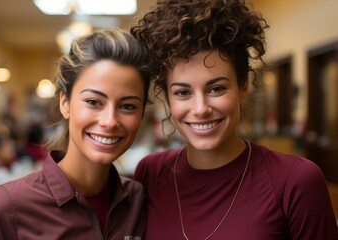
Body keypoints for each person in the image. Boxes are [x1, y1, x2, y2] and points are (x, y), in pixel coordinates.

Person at [130, 0, 338, 239]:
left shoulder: (296, 181)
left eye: (216, 89)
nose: (200, 109)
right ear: (168, 97)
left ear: (243, 88)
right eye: (183, 92)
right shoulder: (151, 173)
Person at [0, 28, 151, 239]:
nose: (109, 121)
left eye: (128, 106)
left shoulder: (140, 201)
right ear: (65, 103)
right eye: (93, 102)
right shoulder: (7, 208)